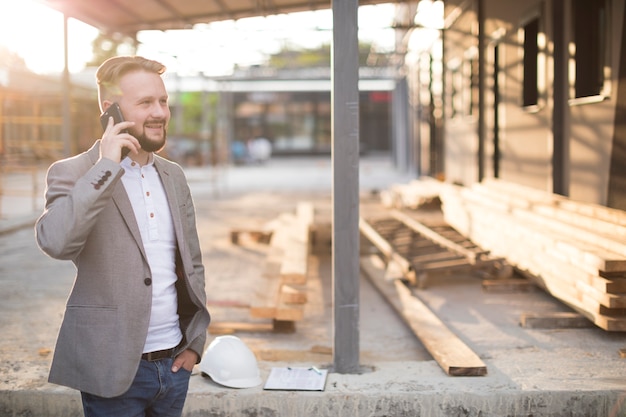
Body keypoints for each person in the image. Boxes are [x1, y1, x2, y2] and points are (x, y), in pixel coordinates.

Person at [35, 55, 211, 416]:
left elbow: (192, 264)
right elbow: (55, 241)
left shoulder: (173, 175)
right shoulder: (75, 172)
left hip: (175, 364)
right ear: (110, 108)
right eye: (145, 102)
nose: (160, 112)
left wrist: (194, 343)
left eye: (162, 101)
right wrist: (106, 168)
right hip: (112, 370)